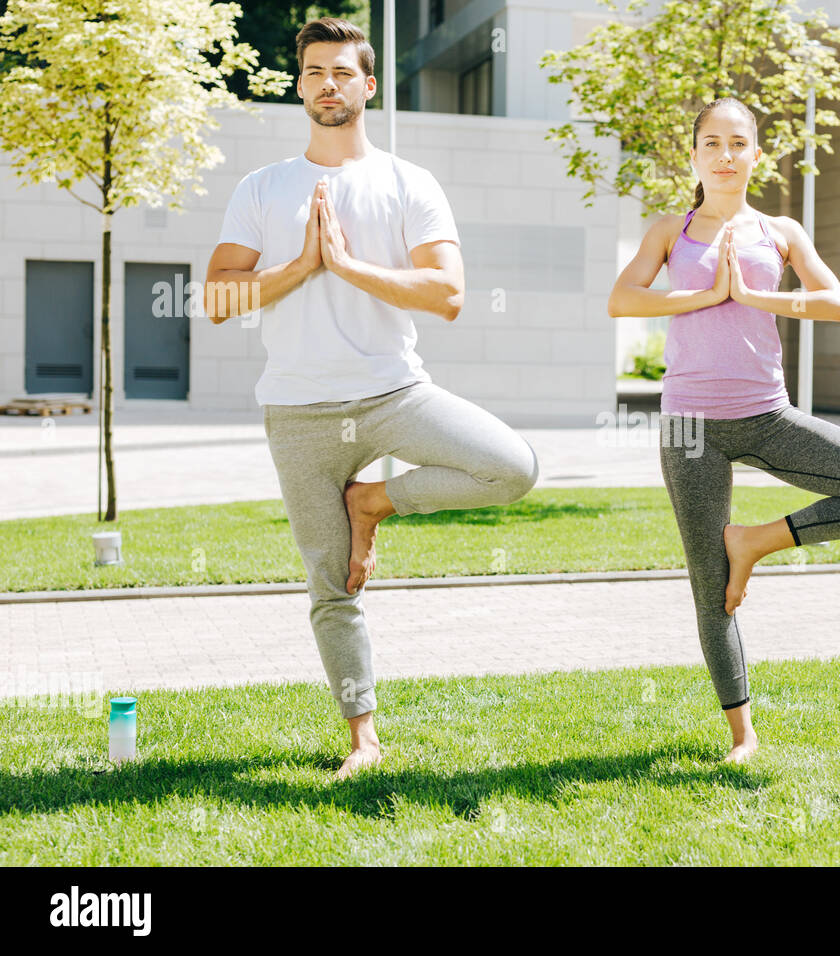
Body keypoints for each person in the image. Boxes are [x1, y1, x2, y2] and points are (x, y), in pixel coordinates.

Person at [203, 18, 538, 781]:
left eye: (343, 72)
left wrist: (349, 267)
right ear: (300, 85)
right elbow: (217, 297)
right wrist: (302, 266)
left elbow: (449, 294)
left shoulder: (408, 182)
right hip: (297, 411)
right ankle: (363, 738)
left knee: (511, 466)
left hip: (393, 393)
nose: (329, 83)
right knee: (331, 585)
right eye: (315, 71)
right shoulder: (263, 188)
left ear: (369, 85)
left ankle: (375, 502)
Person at [607, 97, 840, 764]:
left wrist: (754, 297)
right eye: (711, 143)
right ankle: (742, 734)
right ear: (693, 155)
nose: (724, 154)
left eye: (737, 143)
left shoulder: (781, 231)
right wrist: (701, 297)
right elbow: (623, 297)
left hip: (767, 415)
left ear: (757, 154)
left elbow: (834, 301)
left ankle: (756, 541)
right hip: (692, 427)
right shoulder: (670, 230)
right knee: (708, 583)